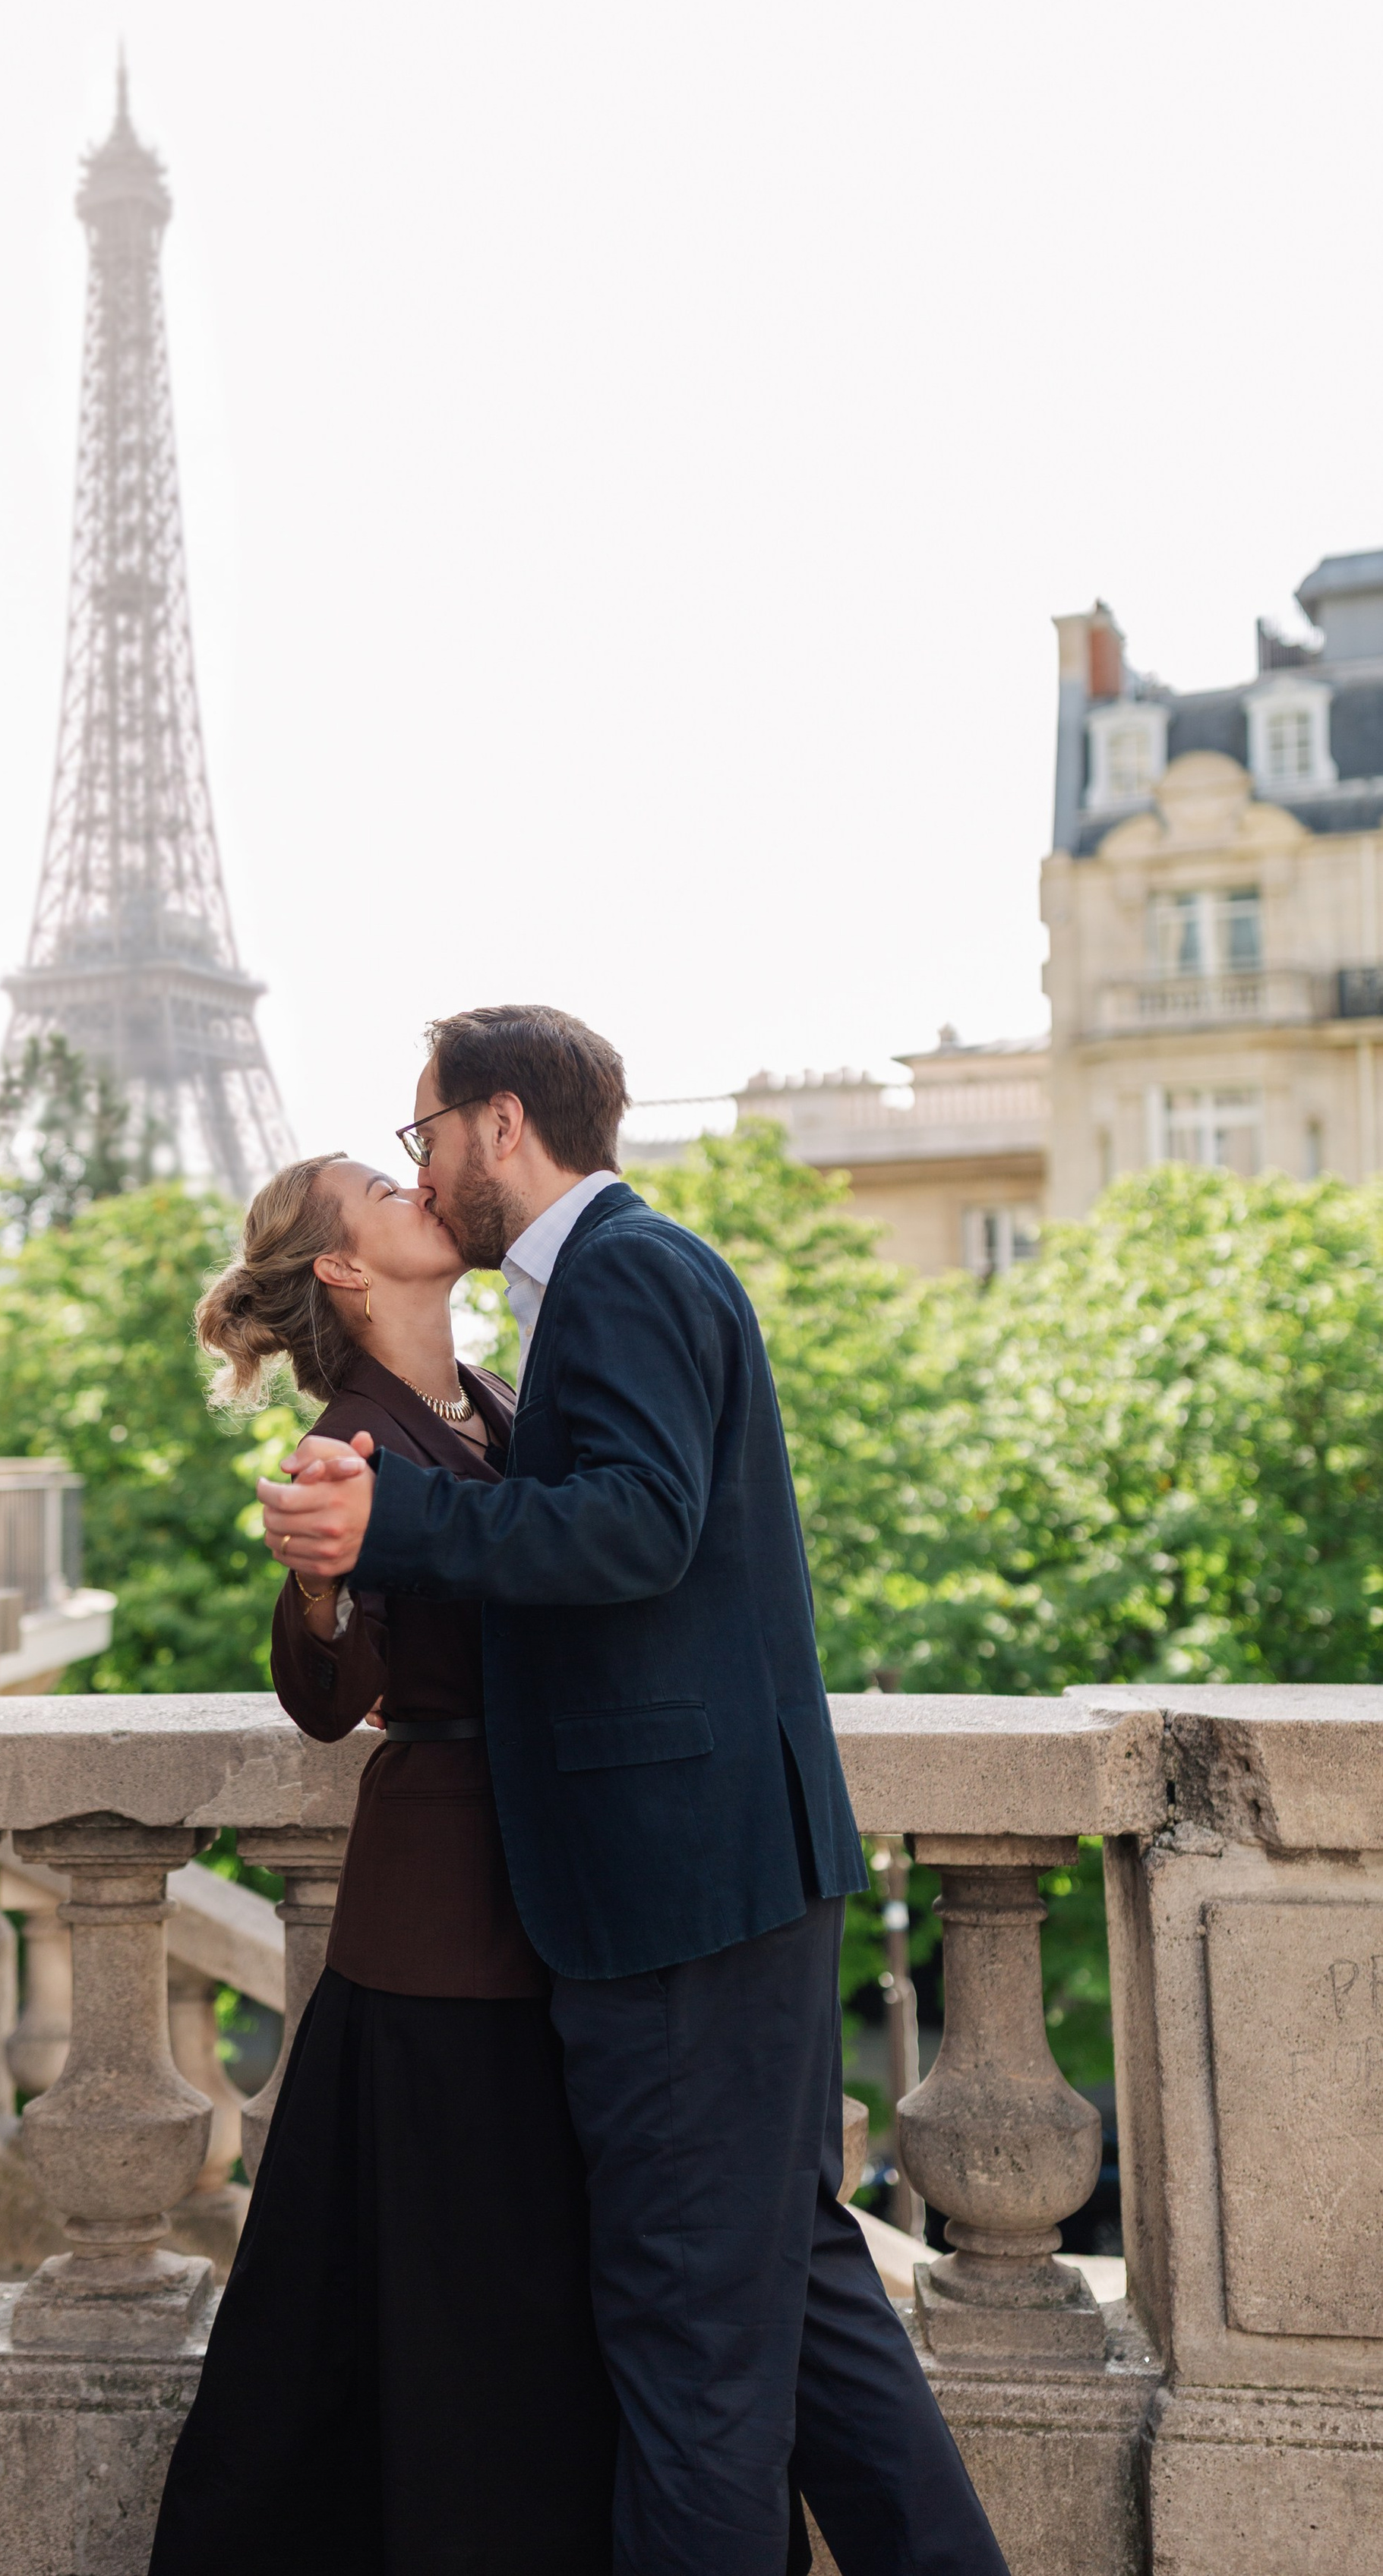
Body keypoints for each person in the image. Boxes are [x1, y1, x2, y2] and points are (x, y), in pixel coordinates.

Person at [259, 1006, 1013, 2576]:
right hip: (706, 1882)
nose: (423, 1168)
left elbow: (634, 1529)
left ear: (501, 1125)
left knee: (689, 2357)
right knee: (790, 2294)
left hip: (672, 1898)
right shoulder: (612, 1281)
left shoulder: (615, 1276)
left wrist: (389, 1527)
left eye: (425, 1136)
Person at [148, 1149, 617, 2576]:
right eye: (381, 1182)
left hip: (536, 1907)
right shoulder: (345, 1440)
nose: (421, 1187)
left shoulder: (495, 1403)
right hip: (446, 1940)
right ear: (345, 1268)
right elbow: (323, 1689)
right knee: (460, 2322)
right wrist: (315, 1578)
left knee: (505, 2308)